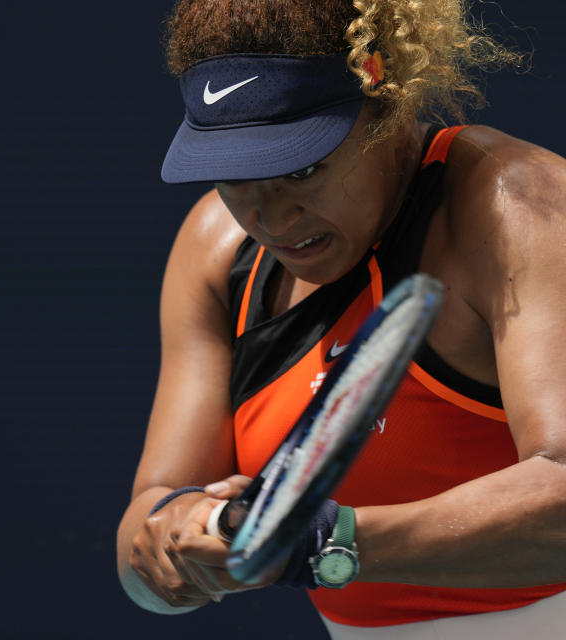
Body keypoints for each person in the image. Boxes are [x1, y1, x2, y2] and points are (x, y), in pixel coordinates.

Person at [115, 0, 566, 637]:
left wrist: (333, 542)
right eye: (233, 176)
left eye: (303, 167)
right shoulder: (216, 252)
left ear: (388, 105)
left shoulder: (524, 209)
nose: (272, 218)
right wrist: (176, 543)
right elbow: (147, 528)